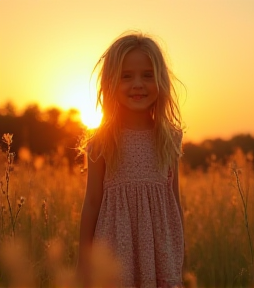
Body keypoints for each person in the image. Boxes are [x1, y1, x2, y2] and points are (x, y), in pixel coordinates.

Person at [77, 31, 185, 288]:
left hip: (162, 251)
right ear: (111, 83)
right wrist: (84, 261)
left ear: (161, 81)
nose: (138, 84)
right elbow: (91, 203)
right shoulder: (103, 141)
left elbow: (175, 200)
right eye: (127, 76)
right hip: (115, 250)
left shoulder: (169, 138)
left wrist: (182, 254)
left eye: (147, 75)